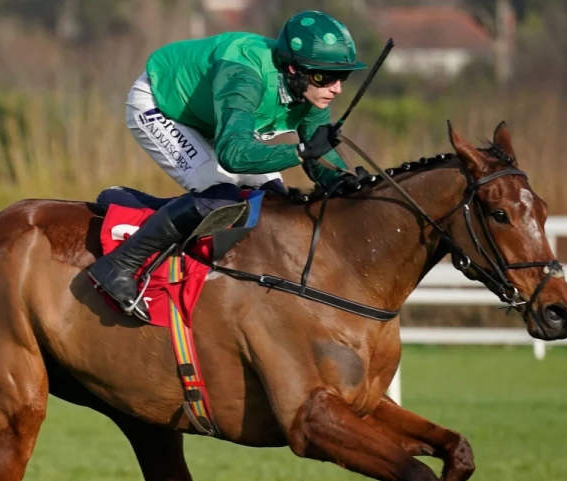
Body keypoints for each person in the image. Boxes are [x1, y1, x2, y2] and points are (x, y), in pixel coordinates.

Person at [88, 10, 367, 321]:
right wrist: (300, 152)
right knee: (220, 198)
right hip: (162, 105)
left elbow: (319, 156)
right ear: (292, 68)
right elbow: (233, 154)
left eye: (342, 77)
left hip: (214, 122)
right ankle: (119, 265)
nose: (336, 88)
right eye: (323, 77)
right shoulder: (243, 74)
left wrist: (343, 183)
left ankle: (140, 206)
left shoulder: (311, 94)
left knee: (272, 202)